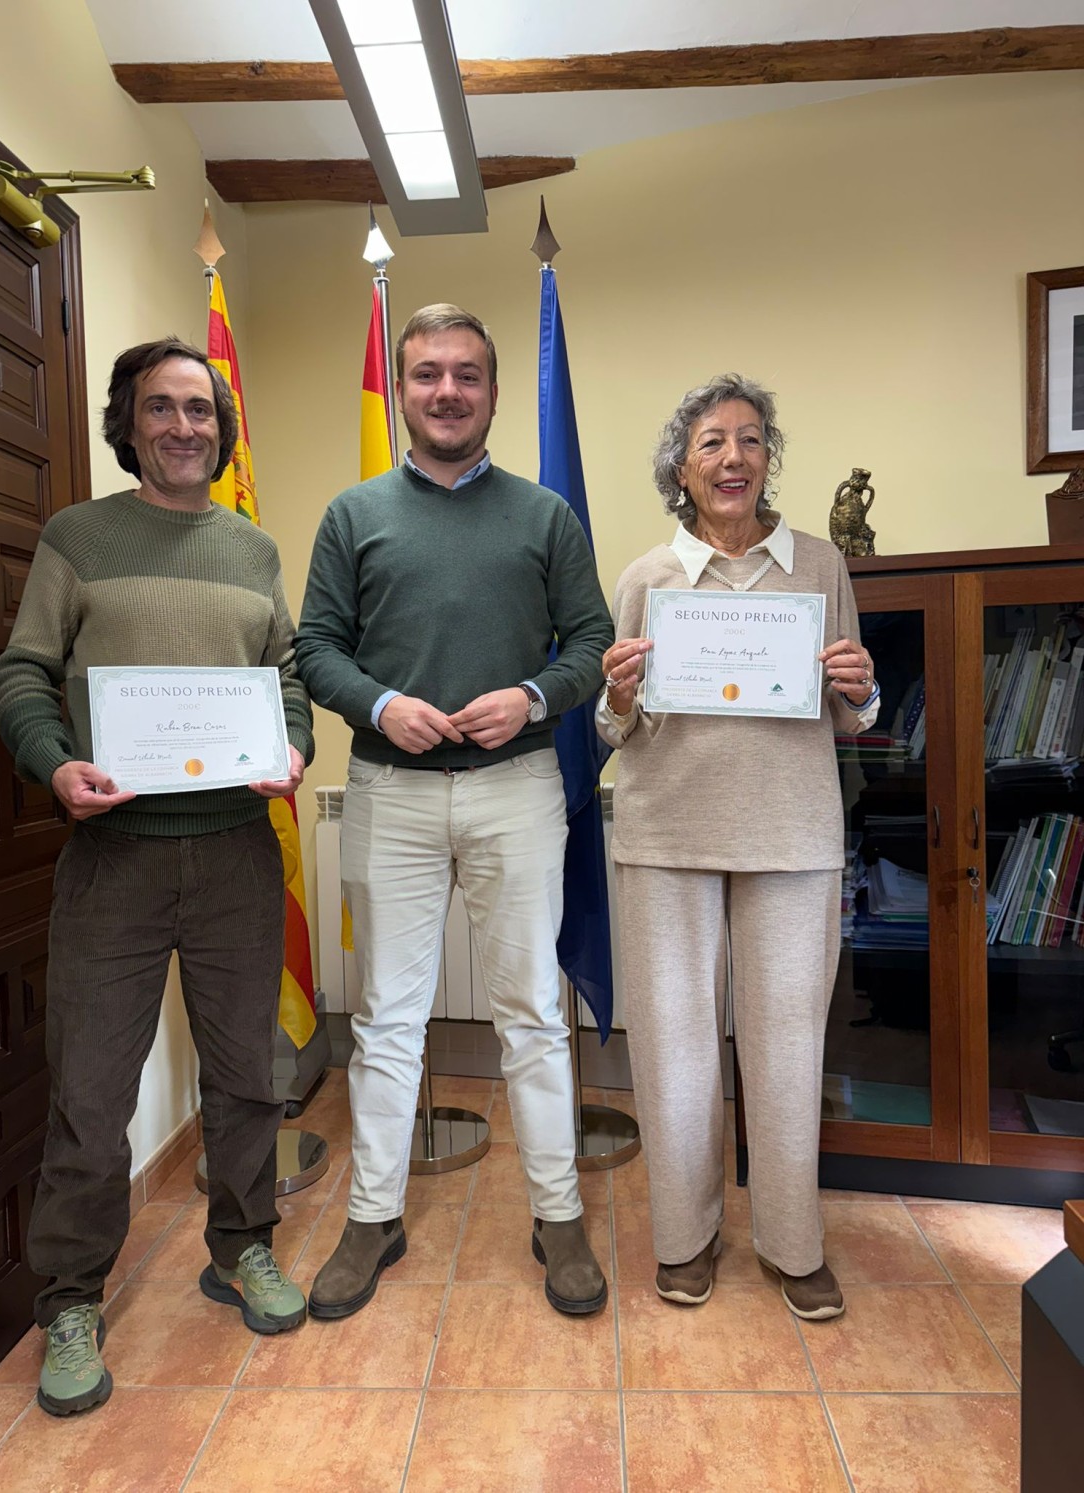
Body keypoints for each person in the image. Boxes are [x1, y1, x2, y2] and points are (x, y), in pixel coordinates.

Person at [0, 337, 314, 1417]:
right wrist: (53, 761)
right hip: (112, 857)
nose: (187, 425)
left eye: (203, 408)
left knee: (245, 1075)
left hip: (233, 851)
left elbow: (286, 677)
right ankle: (71, 1296)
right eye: (163, 408)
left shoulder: (256, 549)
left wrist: (295, 745)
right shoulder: (75, 537)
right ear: (127, 423)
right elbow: (25, 671)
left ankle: (244, 1246)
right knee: (90, 1089)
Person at [295, 303, 613, 1319]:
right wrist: (382, 703)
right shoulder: (353, 514)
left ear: (488, 389)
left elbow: (593, 641)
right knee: (387, 1015)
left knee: (530, 1014)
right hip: (388, 789)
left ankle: (557, 1216)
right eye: (426, 372)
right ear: (402, 386)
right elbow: (316, 649)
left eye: (465, 374)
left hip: (517, 787)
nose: (446, 390)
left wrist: (530, 696)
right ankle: (372, 1217)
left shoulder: (544, 515)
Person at [598, 373, 879, 1320]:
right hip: (665, 832)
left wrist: (863, 686)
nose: (733, 457)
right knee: (676, 1048)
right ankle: (684, 1240)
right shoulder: (645, 576)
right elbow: (616, 728)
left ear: (769, 459)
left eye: (751, 440)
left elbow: (848, 721)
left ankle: (793, 1245)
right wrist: (621, 696)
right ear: (683, 465)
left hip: (794, 835)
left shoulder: (819, 568)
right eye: (712, 441)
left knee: (787, 1045)